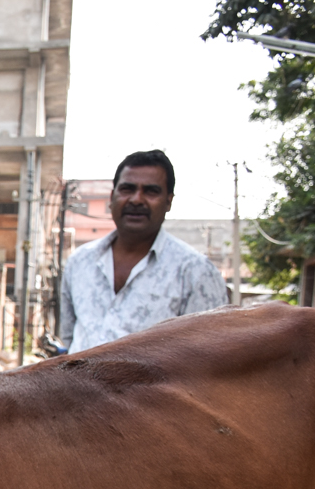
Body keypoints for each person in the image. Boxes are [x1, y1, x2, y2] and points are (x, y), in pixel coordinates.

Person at [60, 149, 229, 353]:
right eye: (127, 189)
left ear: (168, 201)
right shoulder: (79, 262)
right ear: (112, 197)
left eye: (151, 191)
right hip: (79, 386)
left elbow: (211, 358)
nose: (137, 199)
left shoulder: (196, 272)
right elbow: (69, 338)